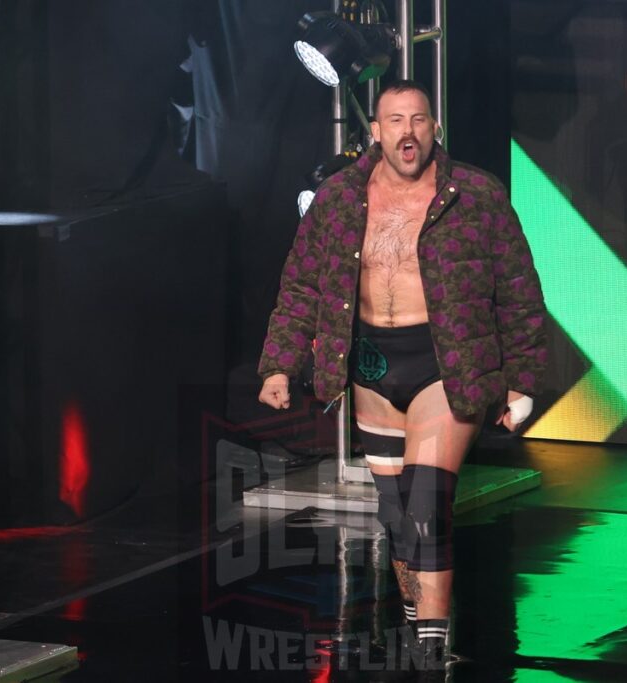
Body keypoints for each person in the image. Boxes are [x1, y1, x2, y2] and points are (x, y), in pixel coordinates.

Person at [257, 79, 547, 667]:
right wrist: (280, 364)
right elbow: (303, 285)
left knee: (427, 504)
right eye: (395, 121)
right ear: (376, 132)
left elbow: (518, 292)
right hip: (371, 368)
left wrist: (522, 380)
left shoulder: (475, 195)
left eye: (418, 120)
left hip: (447, 365)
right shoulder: (338, 198)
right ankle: (420, 620)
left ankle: (431, 644)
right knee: (396, 514)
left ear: (434, 128)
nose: (407, 133)